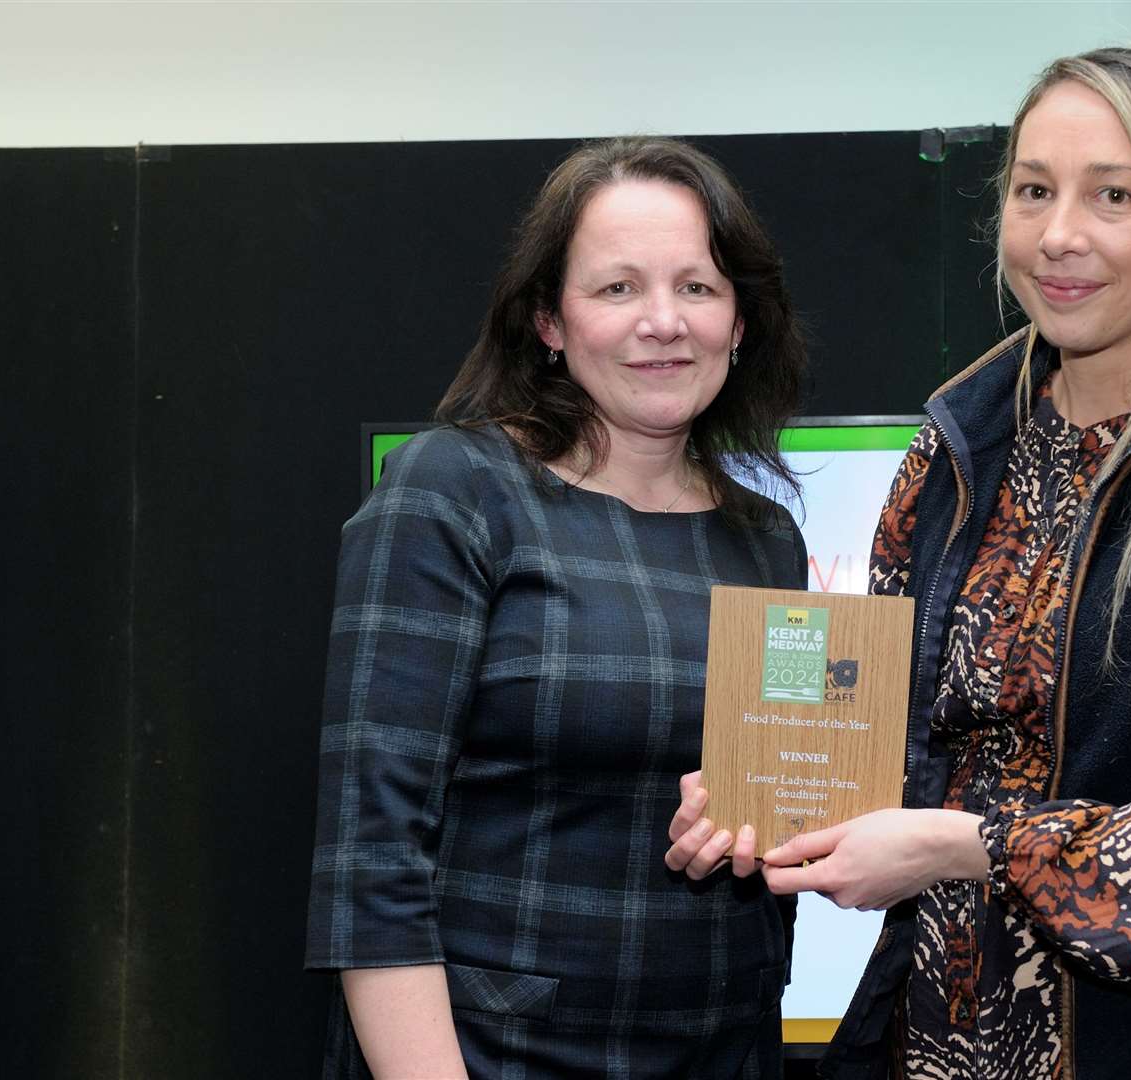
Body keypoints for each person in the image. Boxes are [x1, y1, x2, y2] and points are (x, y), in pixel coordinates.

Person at [668, 41, 1131, 1078]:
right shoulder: (954, 453)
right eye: (1034, 190)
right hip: (925, 1044)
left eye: (1114, 197)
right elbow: (900, 761)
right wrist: (763, 801)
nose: (1059, 237)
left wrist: (974, 847)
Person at [305, 137, 809, 1079]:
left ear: (740, 320)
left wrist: (773, 816)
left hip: (726, 1047)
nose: (662, 322)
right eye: (616, 289)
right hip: (495, 1054)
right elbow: (372, 855)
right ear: (548, 319)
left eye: (696, 288)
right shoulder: (452, 492)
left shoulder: (768, 539)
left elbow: (779, 795)